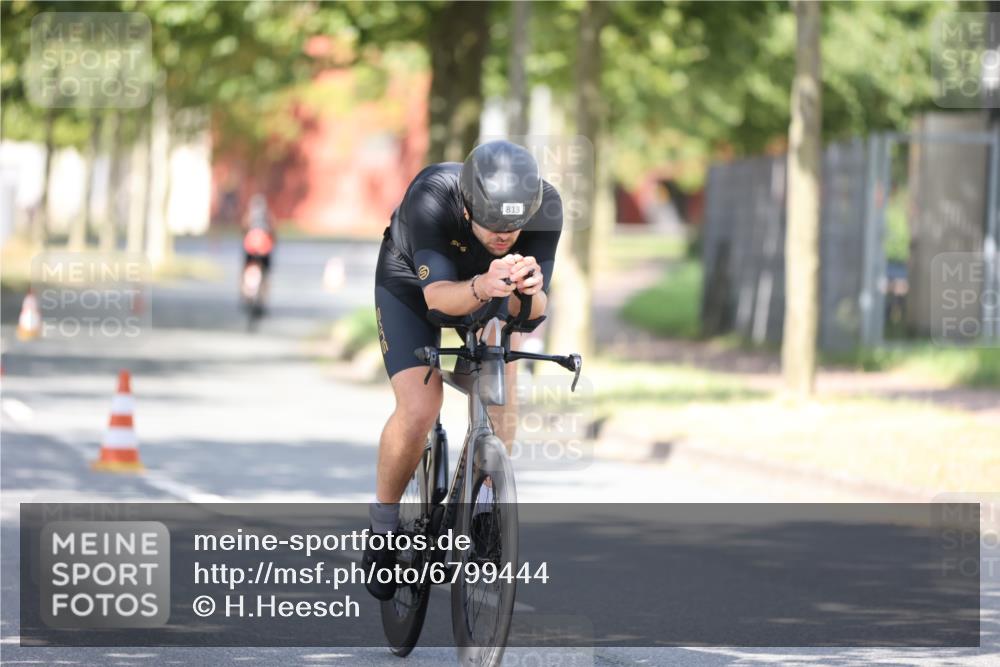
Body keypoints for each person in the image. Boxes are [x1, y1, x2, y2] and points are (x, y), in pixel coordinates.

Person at [363, 140, 562, 600]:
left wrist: (527, 291)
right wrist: (482, 284)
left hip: (487, 285)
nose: (503, 234)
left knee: (502, 380)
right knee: (420, 405)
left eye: (513, 227)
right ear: (468, 205)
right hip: (414, 283)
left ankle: (487, 503)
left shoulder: (545, 206)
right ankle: (383, 530)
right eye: (492, 223)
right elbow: (438, 302)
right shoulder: (434, 193)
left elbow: (529, 313)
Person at [241, 193, 276, 309]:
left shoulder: (249, 216)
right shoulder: (267, 216)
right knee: (266, 273)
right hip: (265, 247)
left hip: (250, 246)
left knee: (246, 268)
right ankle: (262, 295)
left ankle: (246, 292)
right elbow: (273, 230)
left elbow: (243, 228)